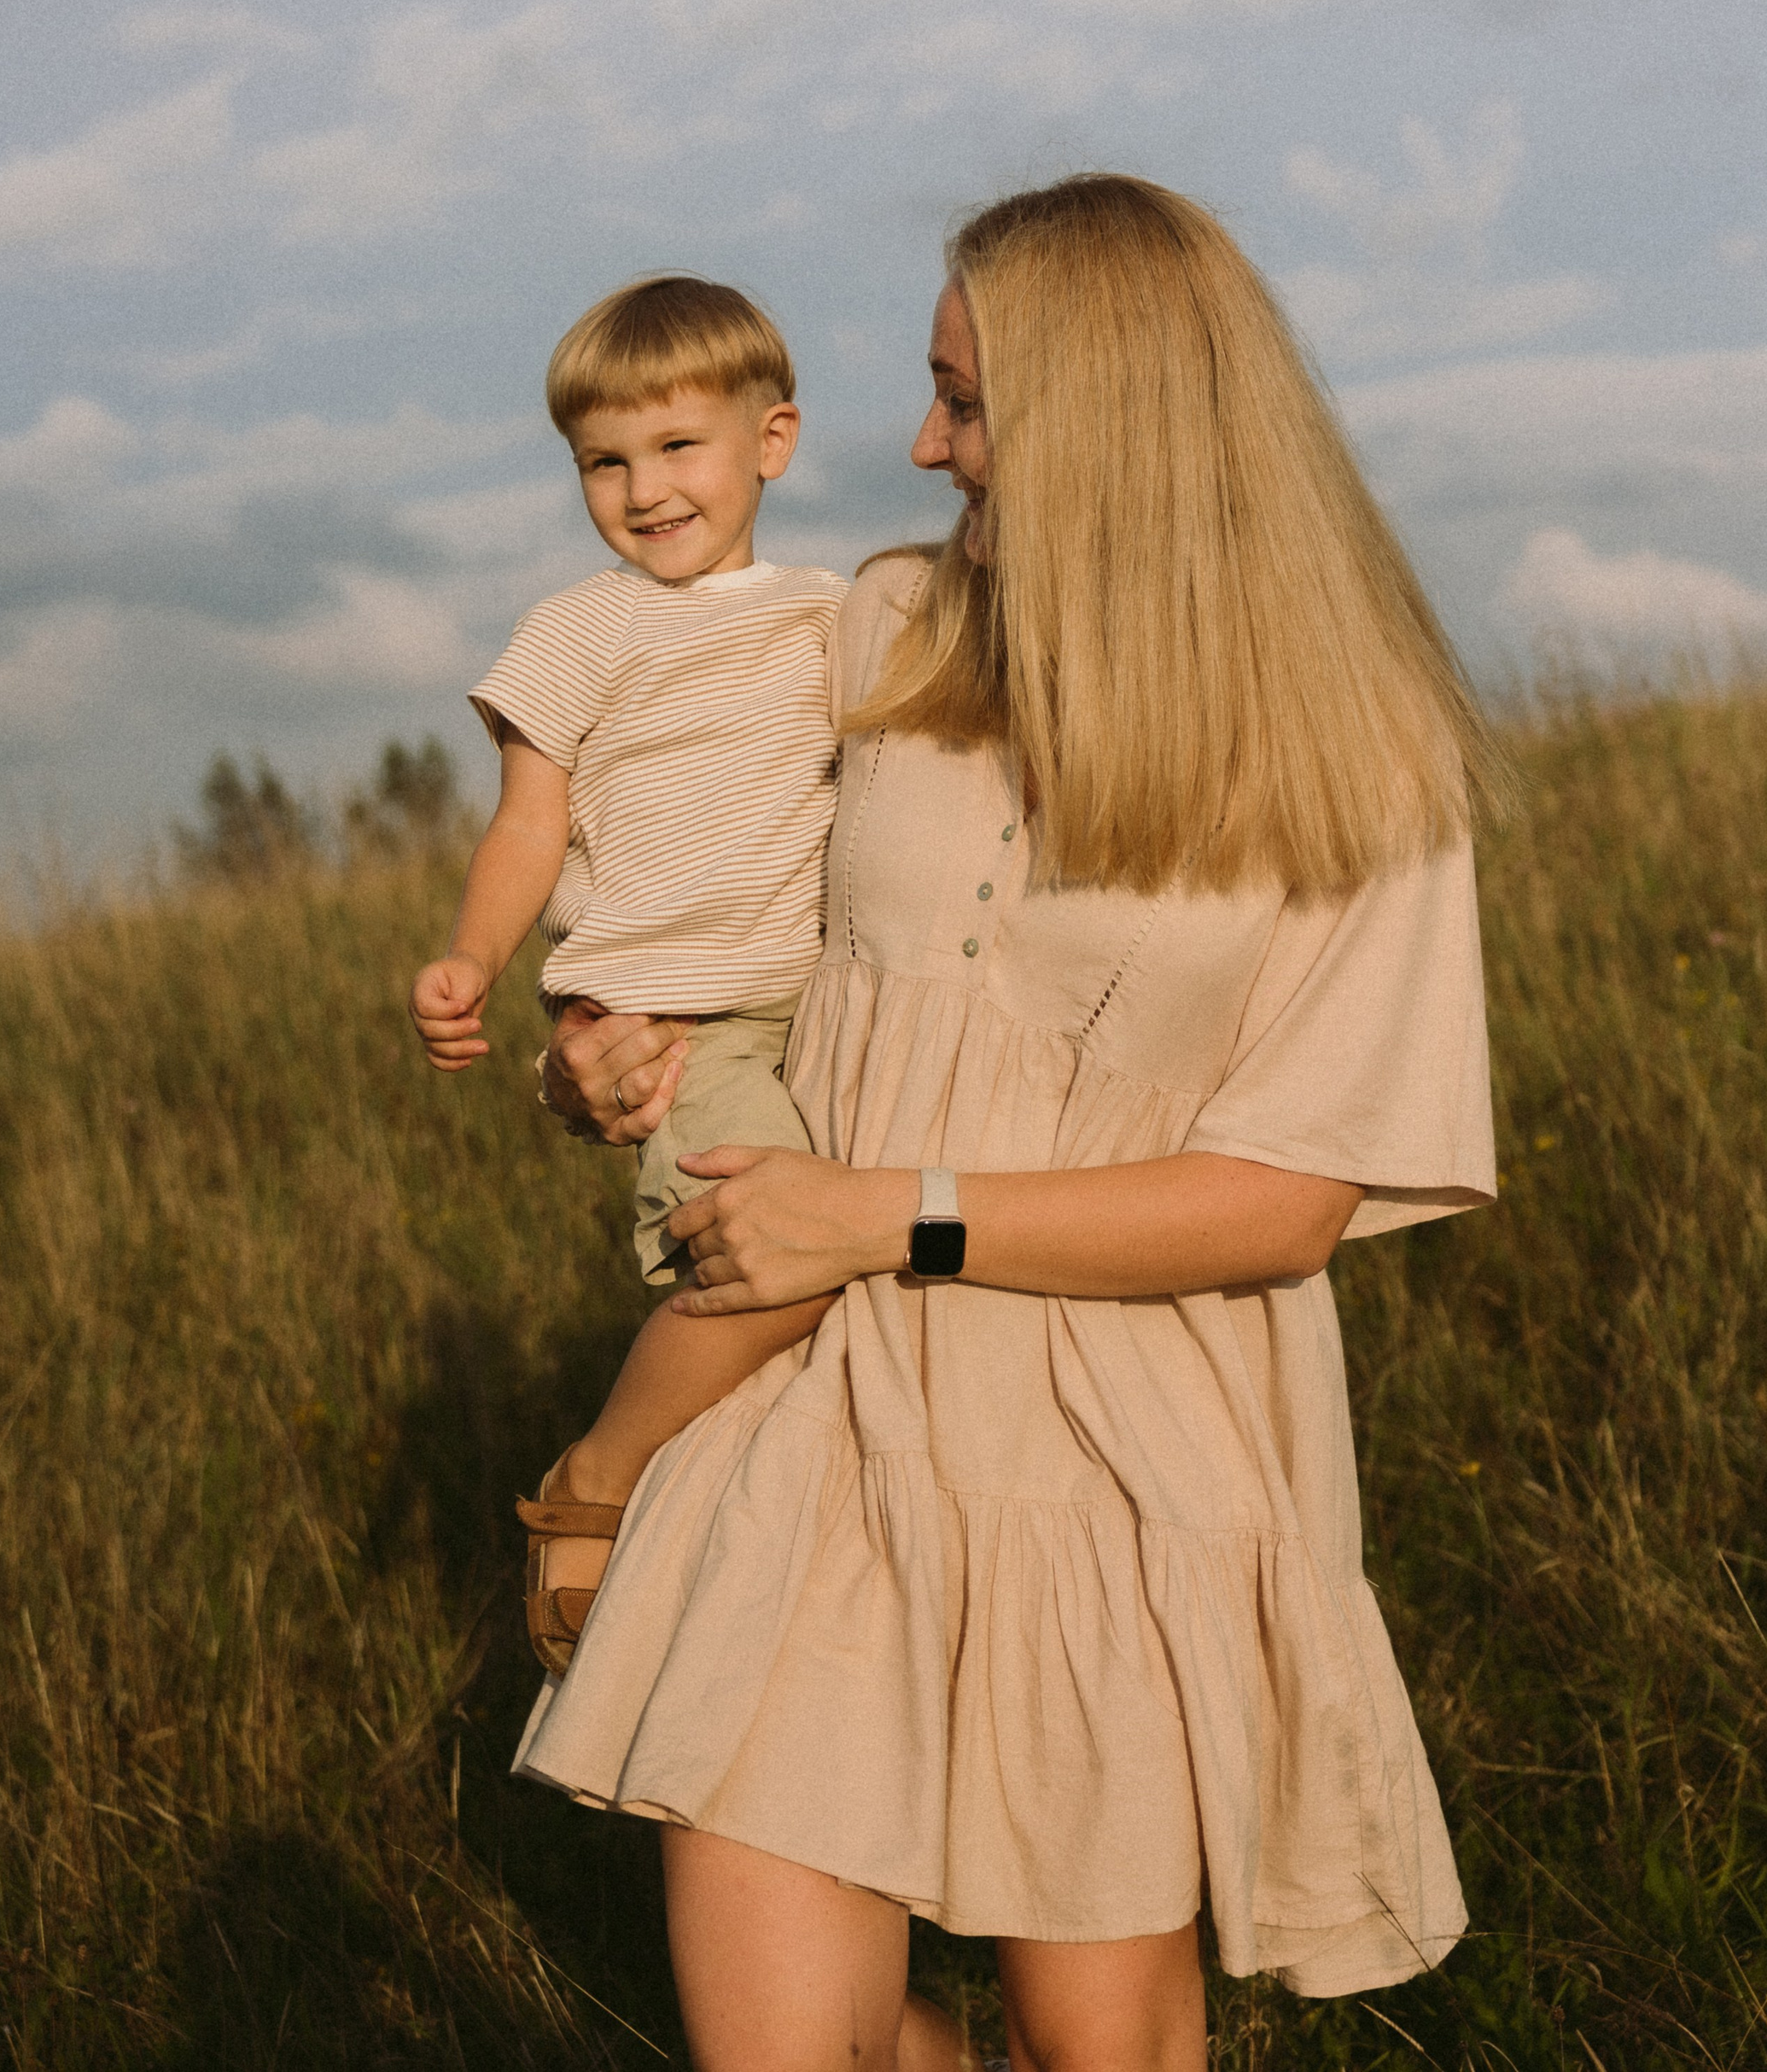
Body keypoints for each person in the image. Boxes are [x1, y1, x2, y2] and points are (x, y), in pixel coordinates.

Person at [526, 176, 1506, 2072]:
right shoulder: (880, 627)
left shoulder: (1363, 767)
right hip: (812, 1407)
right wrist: (610, 1029)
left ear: (1111, 415)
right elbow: (689, 886)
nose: (918, 444)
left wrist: (891, 1210)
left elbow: (1285, 1202)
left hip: (1120, 1465)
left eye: (964, 402)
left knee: (1099, 2042)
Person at [409, 273, 848, 1671]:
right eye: (605, 460)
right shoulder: (580, 630)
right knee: (784, 1262)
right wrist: (474, 958)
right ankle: (599, 1475)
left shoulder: (833, 615)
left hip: (825, 1005)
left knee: (847, 1295)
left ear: (769, 442)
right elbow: (529, 820)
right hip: (677, 1020)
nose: (644, 489)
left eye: (678, 447)